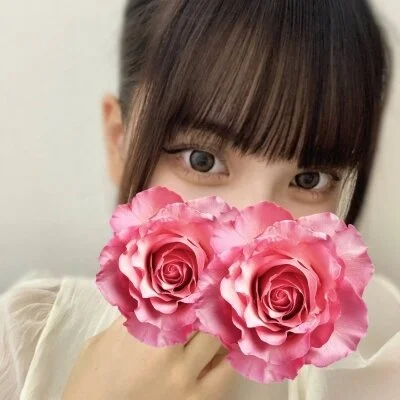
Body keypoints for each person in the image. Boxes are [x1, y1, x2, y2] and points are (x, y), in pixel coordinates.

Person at [1, 0, 399, 399]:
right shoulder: (27, 340)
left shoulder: (377, 361)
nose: (254, 235)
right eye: (202, 160)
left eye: (310, 179)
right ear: (119, 143)